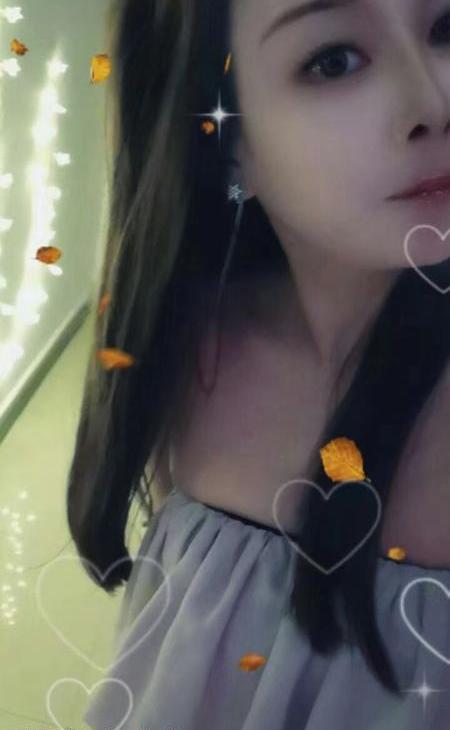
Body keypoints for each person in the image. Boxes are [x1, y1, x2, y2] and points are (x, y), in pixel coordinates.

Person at [69, 0, 450, 727]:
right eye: (334, 60)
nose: (434, 103)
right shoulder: (187, 349)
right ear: (221, 132)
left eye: (447, 29)